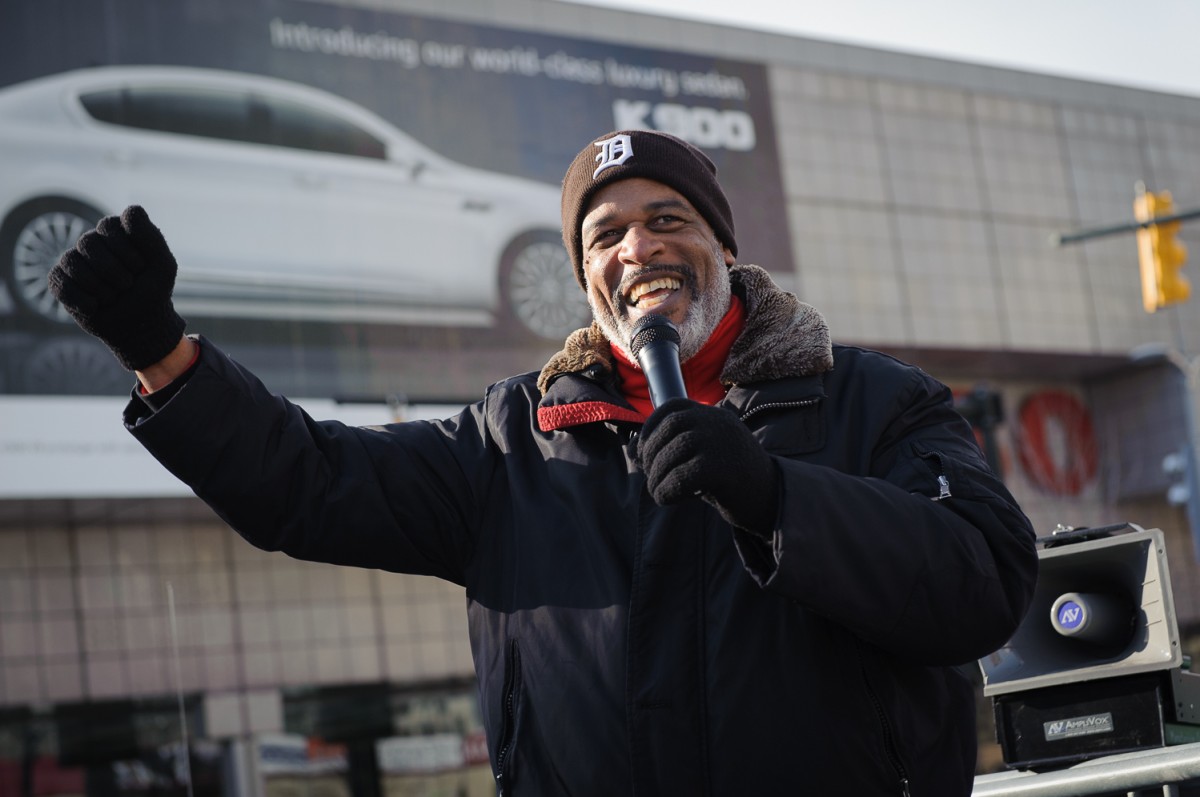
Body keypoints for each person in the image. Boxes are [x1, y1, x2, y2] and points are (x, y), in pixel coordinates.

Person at [49, 129, 1038, 796]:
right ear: (583, 276)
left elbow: (984, 578)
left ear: (722, 247)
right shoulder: (511, 440)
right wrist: (164, 356)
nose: (638, 246)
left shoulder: (874, 399)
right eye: (606, 233)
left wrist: (777, 497)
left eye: (668, 218)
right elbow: (309, 483)